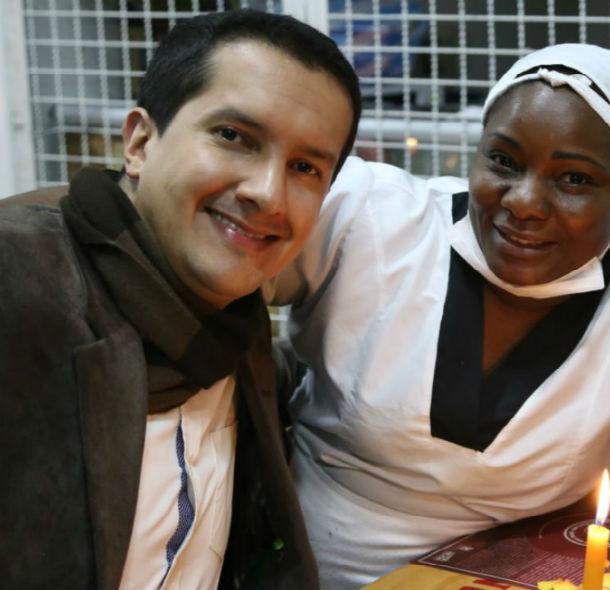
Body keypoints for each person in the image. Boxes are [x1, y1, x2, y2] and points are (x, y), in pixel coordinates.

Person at [268, 43, 610, 587]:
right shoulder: (371, 217)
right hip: (291, 565)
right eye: (503, 160)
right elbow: (208, 271)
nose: (524, 201)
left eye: (574, 180)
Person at [0, 10, 360, 590]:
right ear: (140, 142)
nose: (267, 194)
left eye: (304, 167)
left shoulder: (233, 327)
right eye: (234, 137)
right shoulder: (20, 282)